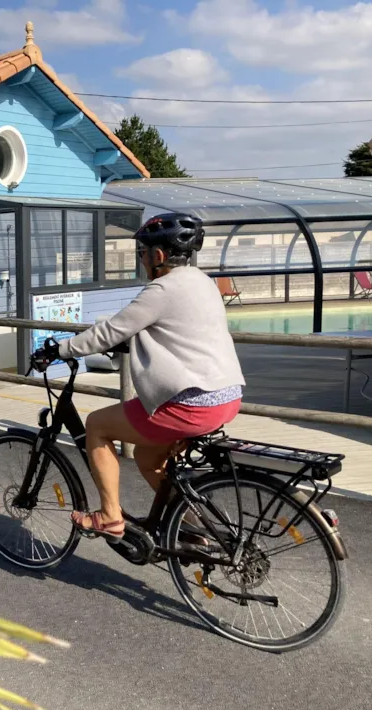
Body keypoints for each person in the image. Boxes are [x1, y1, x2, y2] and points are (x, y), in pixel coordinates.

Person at [35, 213, 245, 543]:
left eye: (142, 253)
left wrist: (58, 351)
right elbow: (175, 332)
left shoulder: (162, 289)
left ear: (158, 256)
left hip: (189, 404)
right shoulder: (202, 282)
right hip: (226, 397)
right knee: (148, 457)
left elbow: (108, 332)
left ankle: (109, 516)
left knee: (97, 425)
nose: (142, 261)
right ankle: (189, 524)